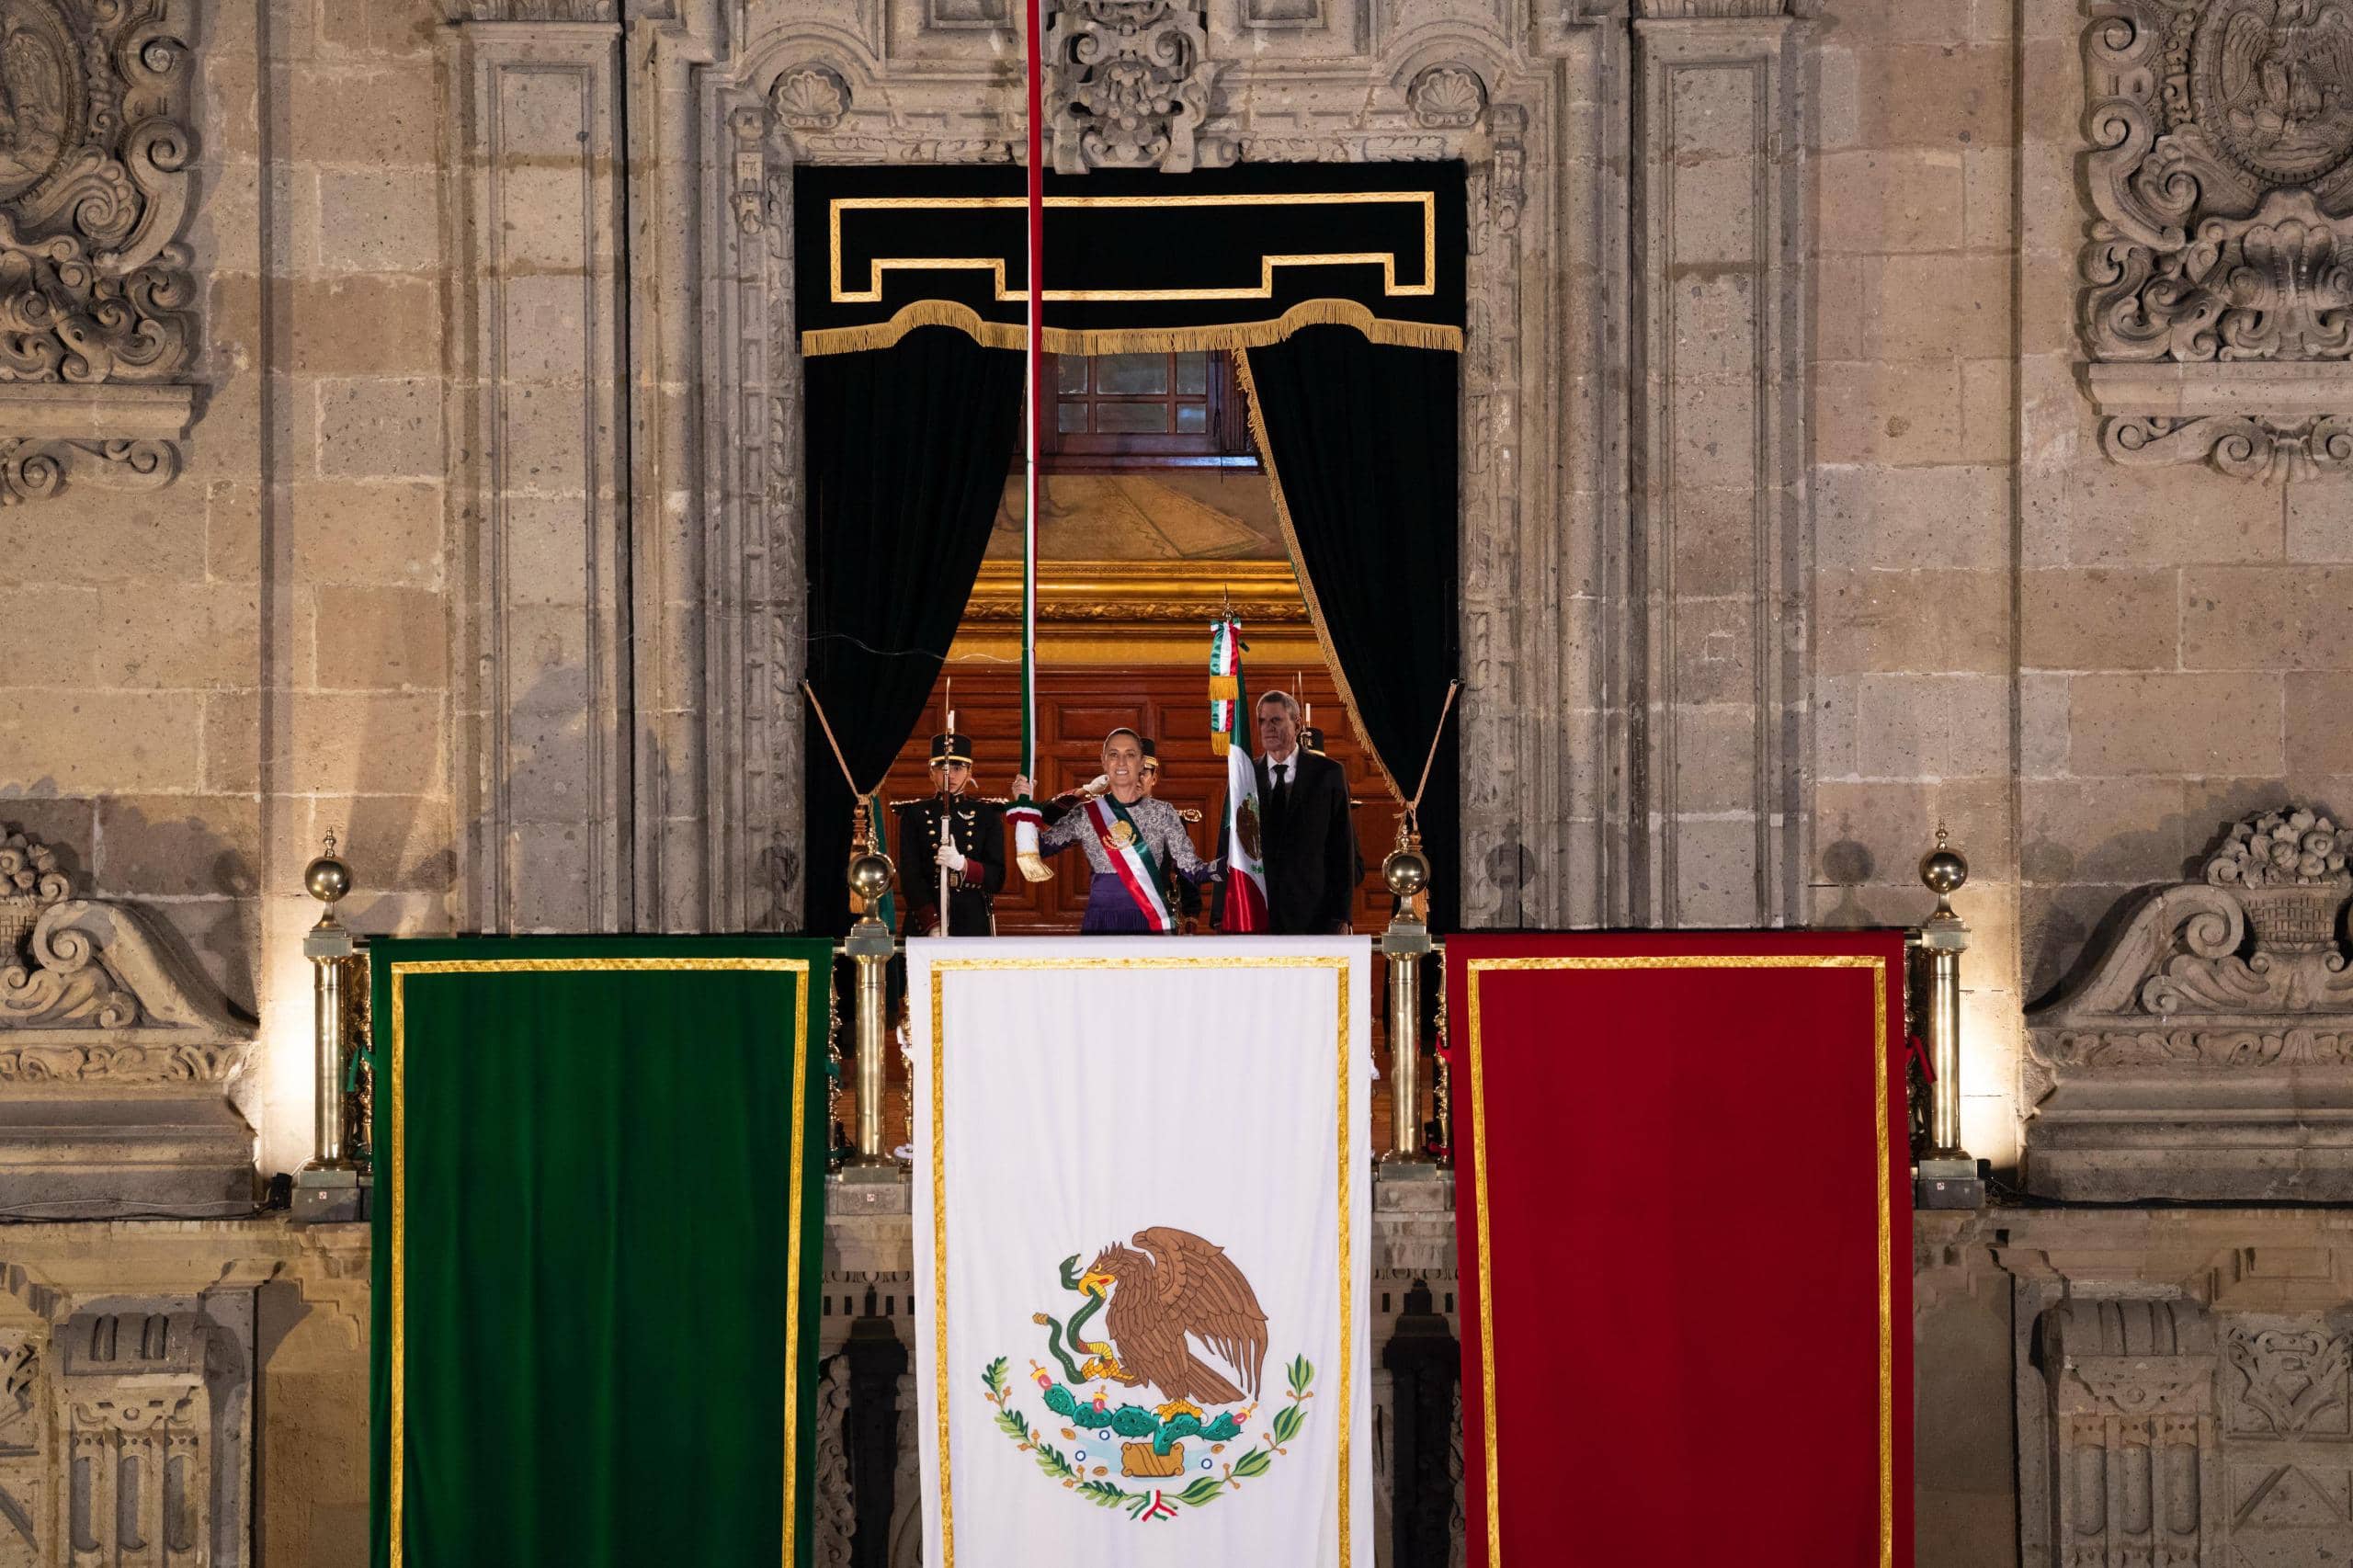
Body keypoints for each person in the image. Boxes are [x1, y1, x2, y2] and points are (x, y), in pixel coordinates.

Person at [1013, 729, 1217, 934]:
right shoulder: (1092, 813)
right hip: (1102, 920)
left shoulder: (1164, 814)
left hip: (1153, 918)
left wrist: (1192, 916)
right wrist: (1024, 803)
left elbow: (1189, 872)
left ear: (1154, 777)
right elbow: (1041, 839)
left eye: (1143, 771)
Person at [1245, 690, 1358, 935]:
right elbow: (1229, 841)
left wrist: (1342, 915)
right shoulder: (1246, 774)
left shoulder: (1329, 773)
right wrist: (1221, 912)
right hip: (1256, 911)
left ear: (1297, 724)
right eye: (1262, 721)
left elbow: (1342, 848)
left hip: (1314, 913)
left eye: (1276, 720)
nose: (1268, 728)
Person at [892, 727, 1005, 937]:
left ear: (970, 771)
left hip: (972, 920)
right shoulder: (914, 814)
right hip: (926, 920)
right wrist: (931, 924)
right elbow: (910, 876)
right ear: (930, 772)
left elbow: (996, 877)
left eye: (958, 768)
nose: (950, 775)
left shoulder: (987, 814)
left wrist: (963, 865)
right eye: (942, 767)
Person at [1138, 738, 1205, 933]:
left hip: (1159, 913)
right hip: (1117, 912)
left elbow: (1185, 868)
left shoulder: (1170, 819)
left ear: (1154, 778)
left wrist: (1191, 912)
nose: (1137, 779)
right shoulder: (1107, 817)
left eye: (1143, 773)